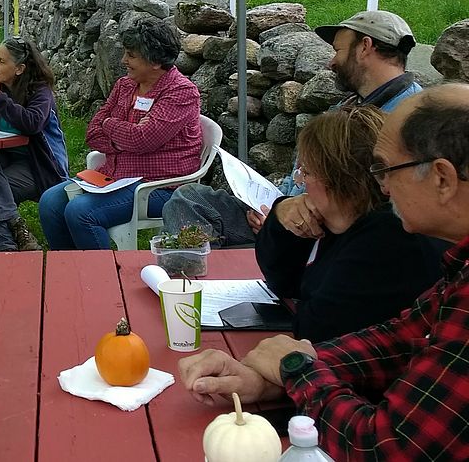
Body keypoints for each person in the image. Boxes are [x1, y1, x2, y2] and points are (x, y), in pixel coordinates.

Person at [178, 84, 469, 462]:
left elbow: (382, 448)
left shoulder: (395, 244)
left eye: (385, 169)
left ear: (442, 179)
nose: (381, 186)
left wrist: (295, 368)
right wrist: (279, 376)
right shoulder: (458, 271)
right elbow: (397, 338)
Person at [162, 9, 422, 247]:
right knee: (191, 198)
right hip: (281, 212)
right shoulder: (350, 103)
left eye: (338, 51)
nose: (331, 62)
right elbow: (302, 171)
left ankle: (205, 274)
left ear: (365, 47)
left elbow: (368, 202)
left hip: (316, 234)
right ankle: (200, 269)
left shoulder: (408, 118)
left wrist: (281, 220)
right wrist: (275, 208)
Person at [255, 106, 444, 342]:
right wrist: (281, 217)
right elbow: (284, 284)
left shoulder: (390, 238)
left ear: (338, 179)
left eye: (307, 172)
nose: (301, 182)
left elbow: (317, 330)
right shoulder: (346, 220)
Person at [38, 18, 201, 250]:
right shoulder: (125, 85)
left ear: (155, 61)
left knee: (81, 212)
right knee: (50, 202)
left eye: (131, 55)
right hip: (115, 177)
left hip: (158, 187)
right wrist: (124, 136)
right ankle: (70, 267)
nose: (124, 60)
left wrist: (110, 124)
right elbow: (93, 133)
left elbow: (142, 140)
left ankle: (102, 272)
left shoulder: (181, 92)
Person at [0, 37, 69, 252]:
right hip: (8, 158)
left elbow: (32, 123)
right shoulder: (0, 88)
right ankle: (16, 228)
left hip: (40, 166)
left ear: (19, 69)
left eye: (2, 61)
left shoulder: (40, 92)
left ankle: (2, 247)